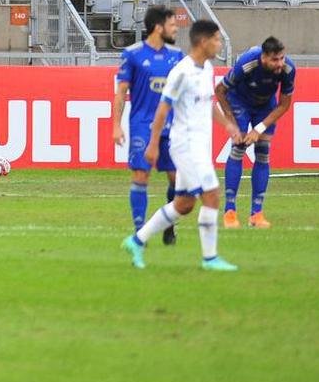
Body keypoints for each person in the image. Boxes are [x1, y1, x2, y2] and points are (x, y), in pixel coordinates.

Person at [121, 20, 243, 272]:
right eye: (217, 39)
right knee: (211, 194)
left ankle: (136, 240)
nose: (220, 44)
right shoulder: (181, 72)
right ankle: (210, 259)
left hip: (199, 144)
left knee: (184, 204)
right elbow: (163, 110)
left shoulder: (207, 68)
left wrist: (228, 125)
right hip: (185, 145)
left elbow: (208, 104)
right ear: (203, 41)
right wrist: (153, 144)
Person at [112, 5, 183, 246]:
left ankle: (168, 224)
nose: (176, 29)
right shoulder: (132, 54)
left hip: (171, 126)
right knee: (141, 175)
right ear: (158, 27)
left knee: (176, 180)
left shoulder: (177, 55)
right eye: (173, 25)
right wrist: (116, 125)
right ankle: (140, 232)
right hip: (142, 125)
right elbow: (121, 92)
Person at [216, 37, 296, 229]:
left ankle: (256, 214)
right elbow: (220, 90)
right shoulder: (247, 63)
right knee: (239, 148)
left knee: (263, 153)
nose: (280, 64)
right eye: (275, 60)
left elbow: (285, 104)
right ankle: (230, 212)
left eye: (282, 58)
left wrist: (258, 129)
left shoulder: (288, 69)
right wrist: (231, 121)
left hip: (265, 106)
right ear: (264, 58)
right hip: (239, 102)